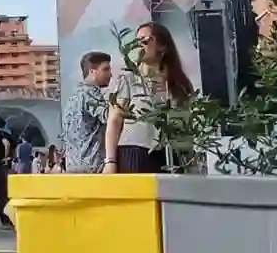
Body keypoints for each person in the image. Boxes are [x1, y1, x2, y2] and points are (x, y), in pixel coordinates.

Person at [105, 23, 195, 172]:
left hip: (171, 153)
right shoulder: (128, 79)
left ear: (163, 47)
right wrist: (110, 161)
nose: (139, 45)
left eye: (146, 40)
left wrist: (190, 158)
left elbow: (185, 125)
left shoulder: (179, 84)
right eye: (136, 41)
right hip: (135, 151)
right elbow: (114, 121)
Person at [64, 52, 112, 171]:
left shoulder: (73, 97)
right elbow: (108, 117)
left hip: (73, 165)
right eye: (105, 69)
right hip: (93, 165)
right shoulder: (91, 93)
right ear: (92, 71)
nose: (110, 74)